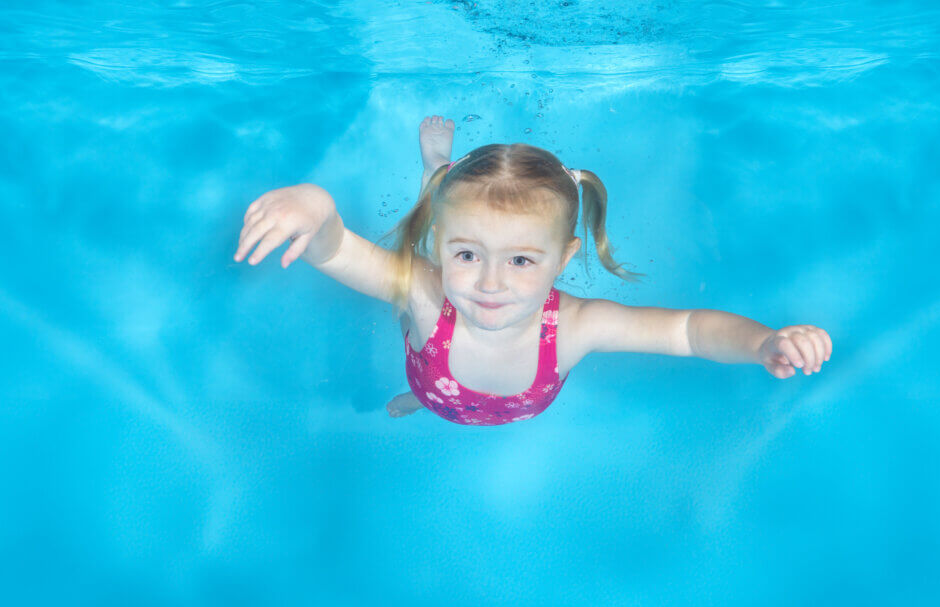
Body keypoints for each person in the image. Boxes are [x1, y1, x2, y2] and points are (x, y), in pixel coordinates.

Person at [234, 115, 832, 426]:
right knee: (422, 271)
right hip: (434, 383)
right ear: (445, 250)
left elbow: (688, 331)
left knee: (447, 231)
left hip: (471, 384)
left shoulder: (577, 326)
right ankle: (436, 170)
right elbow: (338, 251)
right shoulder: (427, 291)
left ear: (563, 259)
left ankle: (441, 175)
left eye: (521, 260)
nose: (490, 284)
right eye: (467, 256)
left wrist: (761, 343)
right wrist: (317, 209)